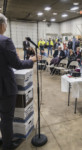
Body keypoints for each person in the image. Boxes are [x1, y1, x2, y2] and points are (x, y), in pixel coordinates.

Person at [0, 13, 40, 150]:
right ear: (2, 25)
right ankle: (7, 145)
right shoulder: (5, 41)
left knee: (2, 116)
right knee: (6, 117)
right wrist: (32, 60)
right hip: (4, 86)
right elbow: (17, 64)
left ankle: (4, 138)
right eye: (6, 24)